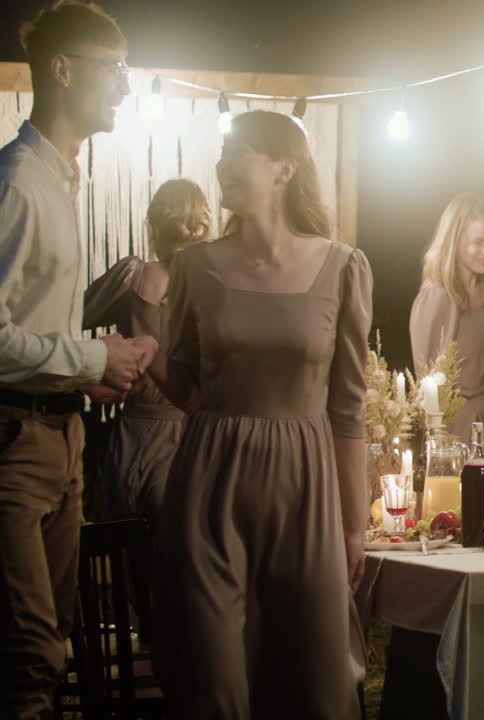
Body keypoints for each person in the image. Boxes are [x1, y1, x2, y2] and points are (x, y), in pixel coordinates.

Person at [146, 110, 368, 719]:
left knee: (317, 684)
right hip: (211, 487)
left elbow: (349, 407)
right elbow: (189, 389)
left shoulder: (344, 267)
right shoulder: (194, 267)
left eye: (236, 151)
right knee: (216, 685)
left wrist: (354, 524)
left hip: (308, 489)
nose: (221, 165)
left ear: (284, 169)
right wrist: (146, 358)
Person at [0, 3, 156, 716]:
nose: (124, 88)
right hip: (14, 444)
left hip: (61, 438)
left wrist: (86, 376)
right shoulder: (17, 185)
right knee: (31, 653)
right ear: (62, 71)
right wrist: (93, 356)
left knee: (53, 642)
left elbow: (30, 331)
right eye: (112, 70)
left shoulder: (60, 179)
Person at [83, 178, 211, 522]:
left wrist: (92, 365)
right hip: (188, 436)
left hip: (133, 434)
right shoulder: (216, 289)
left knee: (125, 551)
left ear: (153, 225)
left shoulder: (134, 275)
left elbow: (64, 323)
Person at [409, 192, 484, 501]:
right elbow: (427, 381)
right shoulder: (438, 296)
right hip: (458, 423)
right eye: (478, 242)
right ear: (454, 242)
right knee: (462, 515)